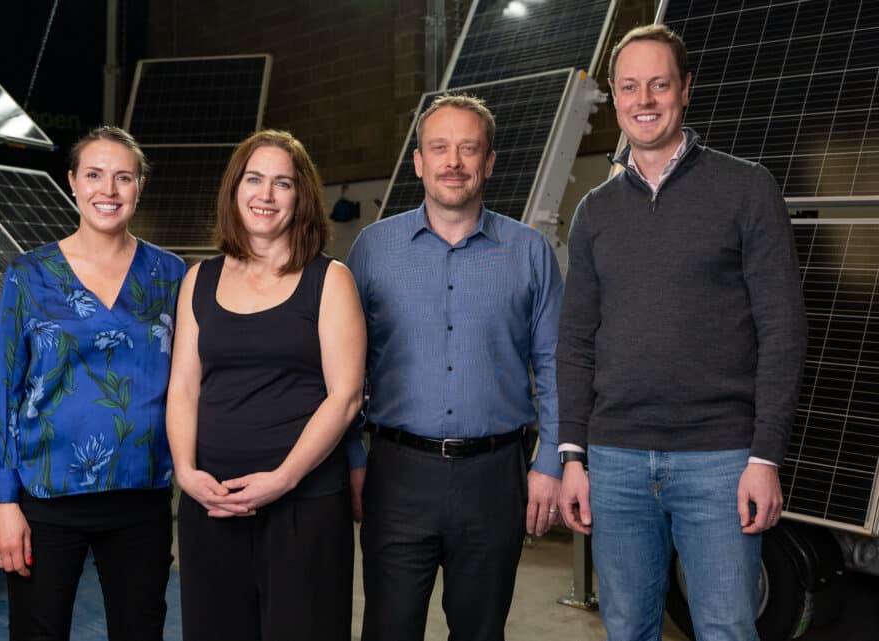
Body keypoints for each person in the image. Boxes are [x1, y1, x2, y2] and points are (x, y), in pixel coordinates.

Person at [556, 24, 807, 641]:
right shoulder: (594, 211)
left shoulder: (747, 189)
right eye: (630, 86)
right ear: (613, 98)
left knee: (725, 627)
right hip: (614, 462)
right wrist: (573, 457)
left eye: (659, 84)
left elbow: (782, 329)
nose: (645, 100)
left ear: (685, 89)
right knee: (627, 627)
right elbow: (577, 339)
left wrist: (764, 456)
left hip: (721, 461)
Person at [346, 94, 564, 641]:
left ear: (489, 162)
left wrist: (552, 464)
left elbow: (556, 364)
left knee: (480, 631)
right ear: (418, 161)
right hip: (396, 475)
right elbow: (344, 369)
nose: (453, 162)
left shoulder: (531, 252)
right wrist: (351, 456)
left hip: (495, 477)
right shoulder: (372, 249)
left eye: (469, 149)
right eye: (439, 148)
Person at [0, 126, 186, 641]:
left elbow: (193, 381)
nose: (108, 190)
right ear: (72, 182)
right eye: (94, 175)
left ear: (140, 186)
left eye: (123, 178)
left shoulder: (171, 275)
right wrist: (3, 503)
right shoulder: (29, 274)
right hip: (46, 500)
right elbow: (2, 391)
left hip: (142, 498)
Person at [166, 129, 365, 641]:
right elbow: (184, 387)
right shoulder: (198, 280)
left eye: (282, 183)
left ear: (301, 197)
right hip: (212, 503)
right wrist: (186, 473)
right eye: (254, 179)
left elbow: (345, 398)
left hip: (304, 505)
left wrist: (282, 479)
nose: (266, 195)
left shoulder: (331, 280)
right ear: (235, 189)